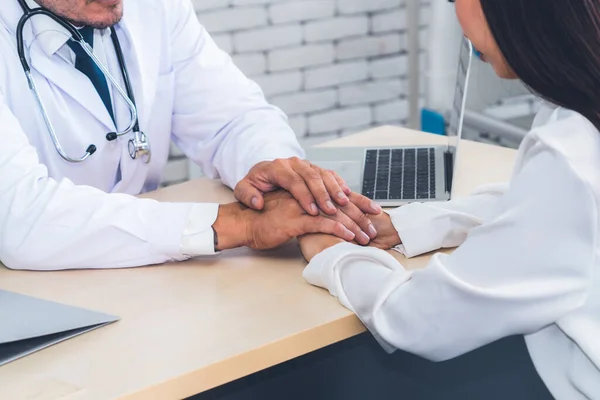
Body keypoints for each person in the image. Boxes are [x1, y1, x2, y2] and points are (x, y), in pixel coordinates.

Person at [298, 0, 600, 398]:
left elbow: (418, 321)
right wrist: (409, 224)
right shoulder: (575, 123)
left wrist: (332, 251)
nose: (456, 16)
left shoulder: (568, 159)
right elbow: (533, 209)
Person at [0, 0, 382, 271]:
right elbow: (21, 219)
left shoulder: (156, 8)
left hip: (133, 268)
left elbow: (233, 118)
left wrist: (280, 183)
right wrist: (238, 225)